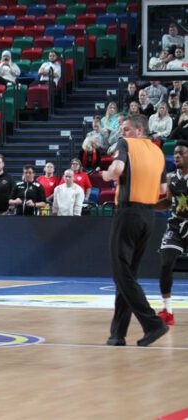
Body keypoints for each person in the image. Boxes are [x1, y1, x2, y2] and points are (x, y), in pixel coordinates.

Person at [102, 114, 169, 347]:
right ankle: (117, 334)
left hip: (128, 214)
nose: (123, 133)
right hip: (148, 216)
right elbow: (163, 188)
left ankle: (152, 324)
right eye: (122, 129)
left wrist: (106, 174)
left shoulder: (126, 144)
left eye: (127, 129)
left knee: (121, 273)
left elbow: (117, 170)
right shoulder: (158, 152)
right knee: (127, 274)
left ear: (140, 131)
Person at [154, 141, 188, 326]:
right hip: (176, 226)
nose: (177, 156)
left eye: (181, 153)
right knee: (166, 264)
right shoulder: (170, 177)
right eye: (175, 153)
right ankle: (168, 311)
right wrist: (148, 206)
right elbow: (167, 202)